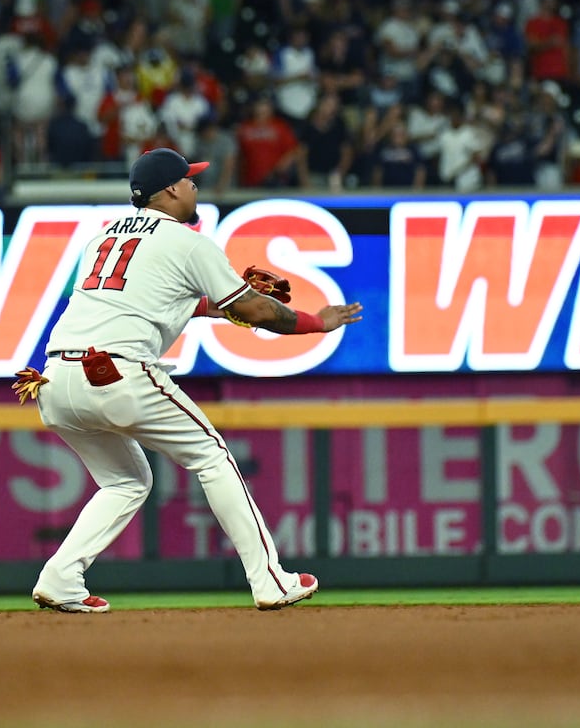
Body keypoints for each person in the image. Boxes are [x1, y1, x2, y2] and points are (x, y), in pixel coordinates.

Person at [22, 147, 363, 612]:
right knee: (211, 455)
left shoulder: (101, 238)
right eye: (189, 180)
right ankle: (270, 581)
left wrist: (234, 302)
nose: (194, 187)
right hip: (116, 370)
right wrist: (314, 323)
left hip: (54, 378)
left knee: (126, 482)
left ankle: (61, 578)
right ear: (169, 190)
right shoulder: (188, 242)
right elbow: (257, 310)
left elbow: (183, 302)